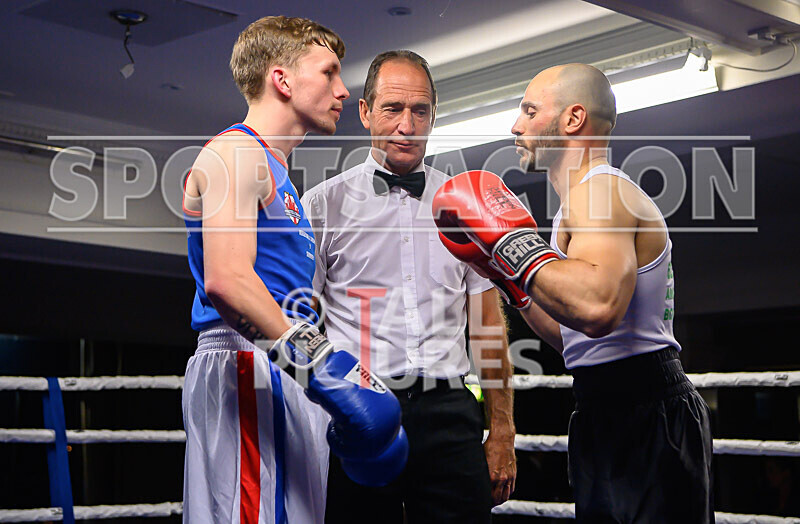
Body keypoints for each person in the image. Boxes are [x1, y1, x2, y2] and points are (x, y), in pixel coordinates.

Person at [432, 63, 714, 522]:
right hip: (604, 402)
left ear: (573, 119)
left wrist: (510, 245)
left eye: (530, 110)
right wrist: (504, 273)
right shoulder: (574, 207)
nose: (516, 125)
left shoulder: (600, 192)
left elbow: (597, 307)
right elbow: (572, 337)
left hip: (644, 406)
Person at [181, 17, 408, 524]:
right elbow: (227, 280)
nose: (343, 90)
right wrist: (319, 364)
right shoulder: (235, 153)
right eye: (328, 73)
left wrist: (317, 365)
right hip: (249, 361)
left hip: (283, 363)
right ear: (282, 81)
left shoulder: (281, 177)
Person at [301, 50, 517, 523]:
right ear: (364, 112)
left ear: (434, 117)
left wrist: (501, 429)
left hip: (451, 413)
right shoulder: (321, 206)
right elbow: (298, 322)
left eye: (420, 111)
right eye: (392, 109)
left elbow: (485, 325)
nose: (407, 124)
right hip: (359, 408)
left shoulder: (467, 207)